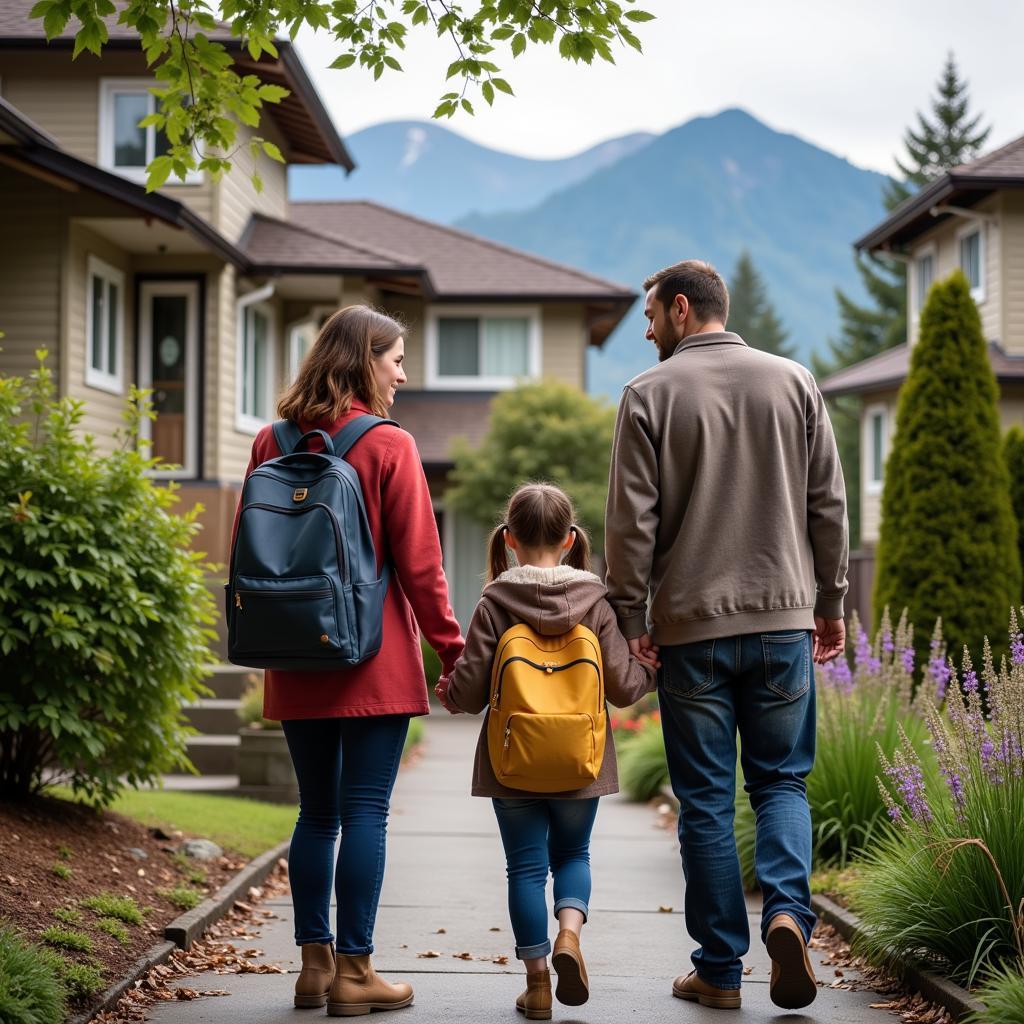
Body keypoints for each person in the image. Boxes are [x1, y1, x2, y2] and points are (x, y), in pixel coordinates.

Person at [604, 260, 848, 1011]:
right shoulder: (794, 381)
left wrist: (633, 619)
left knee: (705, 800)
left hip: (692, 631)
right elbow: (828, 505)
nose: (645, 330)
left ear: (682, 309)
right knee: (780, 782)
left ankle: (718, 969)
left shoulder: (648, 394)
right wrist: (830, 602)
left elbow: (629, 524)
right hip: (782, 623)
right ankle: (786, 915)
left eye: (650, 315)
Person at [233, 305, 464, 1016]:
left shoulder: (270, 442)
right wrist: (452, 651)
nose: (403, 371)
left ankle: (312, 967)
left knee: (316, 814)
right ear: (366, 359)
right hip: (372, 659)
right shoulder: (387, 444)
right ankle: (357, 974)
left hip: (294, 652)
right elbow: (422, 567)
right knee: (366, 811)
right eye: (395, 358)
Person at [435, 483, 656, 1021]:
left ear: (508, 540)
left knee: (525, 870)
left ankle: (536, 986)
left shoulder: (495, 602)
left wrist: (447, 689)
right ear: (569, 538)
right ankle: (569, 936)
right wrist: (651, 666)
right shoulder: (596, 604)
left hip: (512, 762)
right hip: (582, 757)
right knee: (573, 856)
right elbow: (626, 688)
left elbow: (465, 693)